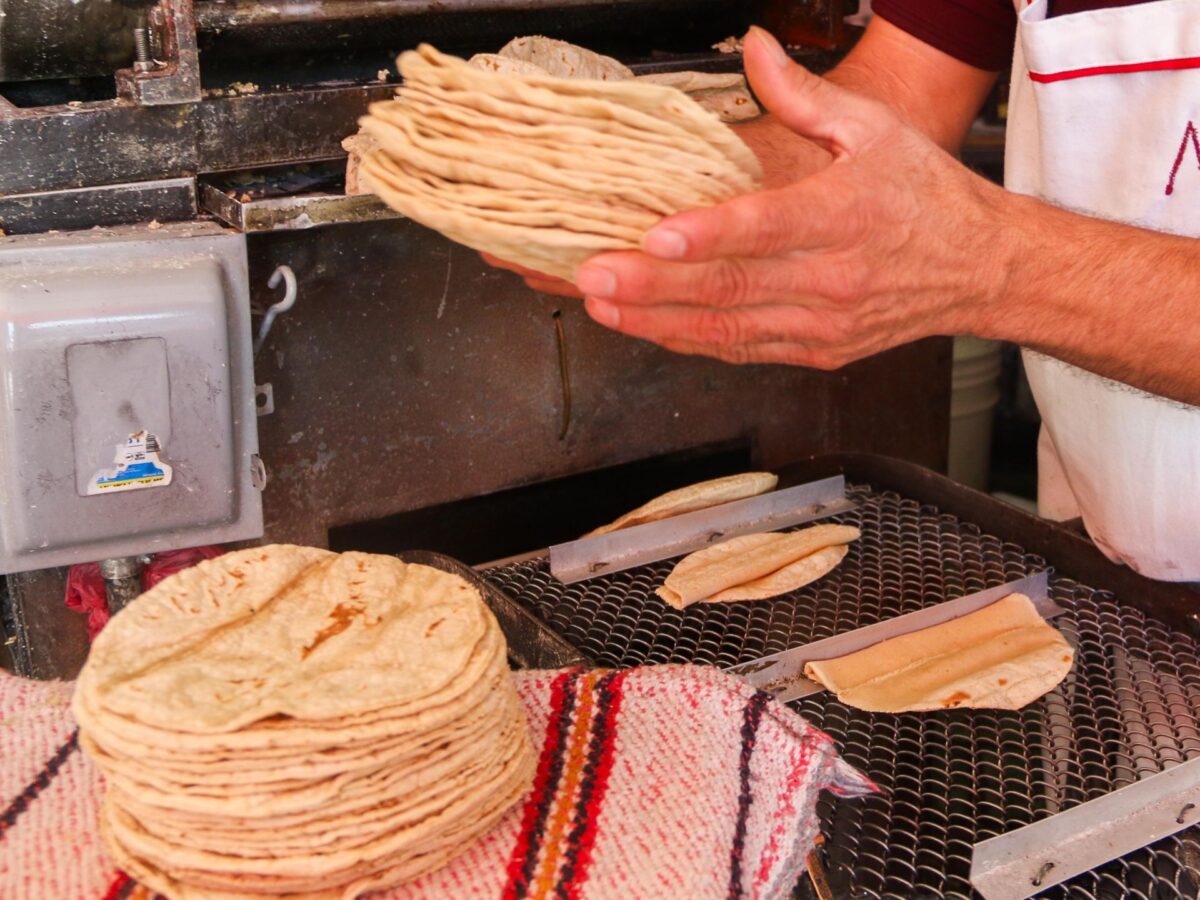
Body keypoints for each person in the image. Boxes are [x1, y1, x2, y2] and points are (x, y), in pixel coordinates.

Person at [486, 2, 1200, 582]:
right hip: (1114, 565)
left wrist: (992, 264)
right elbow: (904, 86)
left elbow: (983, 252)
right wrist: (689, 182)